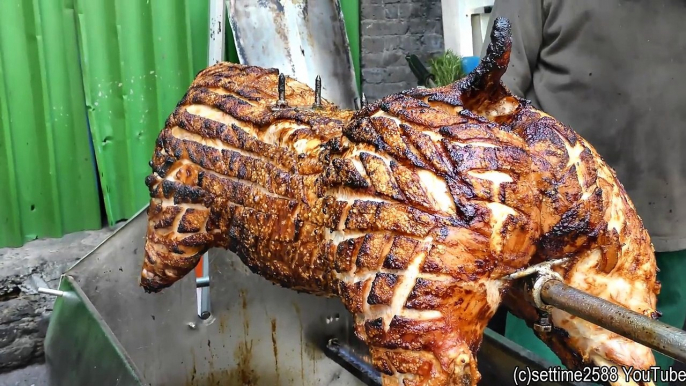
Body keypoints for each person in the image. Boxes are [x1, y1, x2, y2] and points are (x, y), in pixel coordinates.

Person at [481, 0, 686, 379]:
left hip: (671, 227)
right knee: (536, 366)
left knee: (643, 369)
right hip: (553, 240)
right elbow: (495, 96)